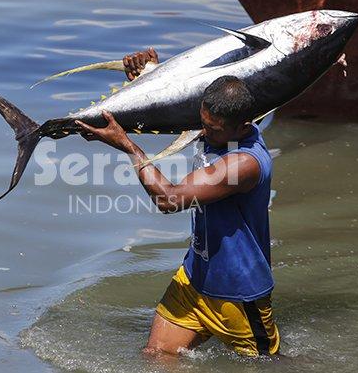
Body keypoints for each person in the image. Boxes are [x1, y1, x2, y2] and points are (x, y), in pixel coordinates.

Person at [75, 49, 279, 358]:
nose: (203, 132)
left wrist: (128, 146)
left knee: (269, 366)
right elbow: (177, 96)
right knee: (157, 356)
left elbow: (169, 200)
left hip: (237, 293)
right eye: (203, 122)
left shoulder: (243, 164)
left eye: (213, 129)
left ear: (243, 126)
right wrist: (149, 75)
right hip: (195, 277)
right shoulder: (220, 123)